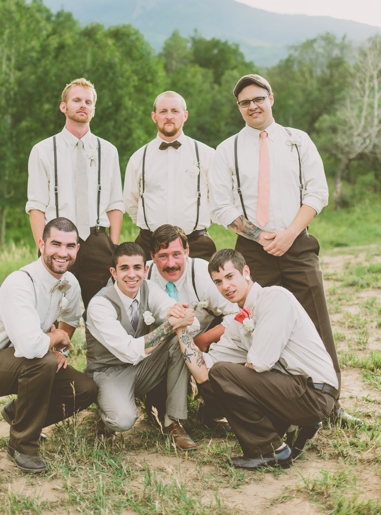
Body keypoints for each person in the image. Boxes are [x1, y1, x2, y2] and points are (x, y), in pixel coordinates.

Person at [208, 73, 357, 425]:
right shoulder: (226, 149)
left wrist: (290, 233)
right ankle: (275, 403)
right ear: (239, 108)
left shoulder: (297, 140)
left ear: (271, 98)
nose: (252, 106)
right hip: (253, 249)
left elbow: (317, 192)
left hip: (298, 242)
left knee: (317, 322)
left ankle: (332, 406)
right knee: (257, 325)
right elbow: (221, 207)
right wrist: (261, 237)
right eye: (245, 102)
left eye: (258, 98)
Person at [173, 249, 338, 469]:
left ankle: (270, 451)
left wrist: (239, 386)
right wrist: (181, 329)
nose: (226, 287)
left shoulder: (274, 298)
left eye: (230, 277)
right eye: (218, 282)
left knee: (224, 374)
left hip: (315, 392)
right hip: (290, 389)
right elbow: (203, 373)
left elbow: (261, 363)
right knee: (214, 383)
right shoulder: (237, 323)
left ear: (246, 272)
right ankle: (291, 426)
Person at [0, 217, 98, 473]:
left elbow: (70, 318)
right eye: (55, 244)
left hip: (30, 358)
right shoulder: (21, 282)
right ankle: (22, 446)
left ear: (77, 249)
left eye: (70, 246)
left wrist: (59, 348)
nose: (62, 252)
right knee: (42, 361)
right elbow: (30, 347)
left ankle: (19, 414)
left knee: (84, 389)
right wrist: (56, 339)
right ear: (42, 244)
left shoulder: (70, 283)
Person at [85, 242, 197, 450]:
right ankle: (106, 414)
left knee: (177, 341)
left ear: (145, 270)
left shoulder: (149, 289)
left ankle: (172, 421)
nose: (131, 274)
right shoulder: (100, 304)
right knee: (123, 420)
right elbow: (129, 351)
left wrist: (183, 316)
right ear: (113, 272)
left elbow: (187, 321)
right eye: (124, 268)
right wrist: (171, 324)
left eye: (137, 267)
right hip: (109, 371)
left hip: (144, 366)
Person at [26, 78, 123, 310]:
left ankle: (98, 347)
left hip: (98, 239)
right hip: (58, 240)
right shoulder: (43, 150)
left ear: (94, 109)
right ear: (64, 106)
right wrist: (43, 247)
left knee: (101, 308)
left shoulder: (108, 150)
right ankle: (52, 346)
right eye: (77, 100)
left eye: (88, 102)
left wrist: (113, 245)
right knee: (52, 307)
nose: (83, 105)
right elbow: (36, 205)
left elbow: (115, 204)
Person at [141, 224, 239, 425]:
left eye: (177, 254)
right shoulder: (141, 276)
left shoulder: (203, 273)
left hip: (204, 343)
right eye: (163, 256)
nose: (171, 263)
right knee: (156, 416)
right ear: (151, 255)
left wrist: (203, 340)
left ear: (187, 251)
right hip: (160, 350)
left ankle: (212, 407)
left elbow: (238, 313)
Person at [124, 91, 216, 260]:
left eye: (175, 111)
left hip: (196, 244)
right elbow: (131, 201)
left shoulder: (207, 155)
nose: (169, 116)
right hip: (149, 244)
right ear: (154, 116)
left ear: (185, 115)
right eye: (163, 111)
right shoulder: (139, 157)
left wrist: (200, 222)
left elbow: (217, 197)